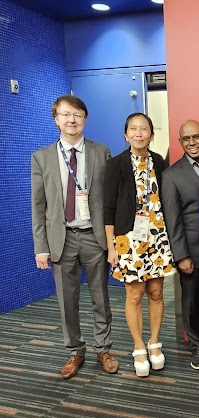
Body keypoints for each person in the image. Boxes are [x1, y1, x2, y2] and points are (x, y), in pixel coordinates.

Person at [31, 94, 119, 379]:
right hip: (62, 237)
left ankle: (103, 347)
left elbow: (109, 201)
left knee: (100, 296)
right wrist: (40, 247)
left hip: (94, 236)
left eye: (77, 115)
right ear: (56, 119)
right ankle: (75, 351)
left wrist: (113, 239)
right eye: (66, 115)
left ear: (84, 119)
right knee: (67, 299)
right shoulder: (41, 157)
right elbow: (38, 206)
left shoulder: (101, 152)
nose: (72, 120)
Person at [103, 113, 174, 377]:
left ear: (152, 135)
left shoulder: (159, 161)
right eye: (133, 129)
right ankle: (138, 348)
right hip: (128, 239)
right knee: (134, 295)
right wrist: (111, 246)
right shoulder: (116, 164)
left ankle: (154, 342)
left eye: (144, 129)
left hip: (156, 236)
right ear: (126, 134)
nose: (139, 133)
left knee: (156, 292)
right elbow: (108, 208)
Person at [161, 120, 199, 370]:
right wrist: (181, 255)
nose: (192, 142)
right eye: (186, 139)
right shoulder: (171, 175)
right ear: (180, 142)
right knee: (191, 303)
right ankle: (196, 346)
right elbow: (172, 219)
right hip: (193, 250)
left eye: (197, 137)